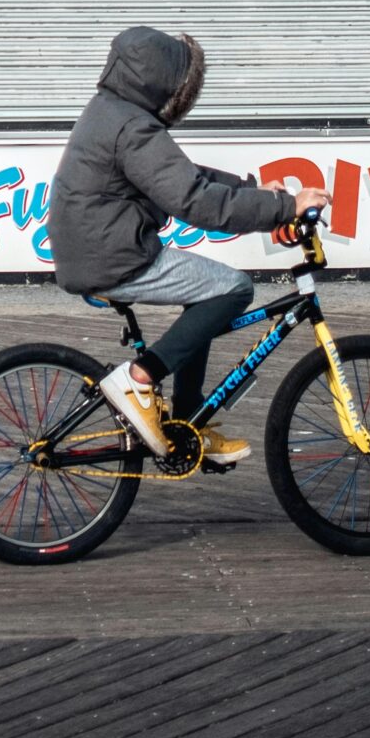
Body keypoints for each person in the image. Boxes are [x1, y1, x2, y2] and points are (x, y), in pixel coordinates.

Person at [48, 26, 320, 464]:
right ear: (161, 81)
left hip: (96, 247)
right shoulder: (133, 127)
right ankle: (140, 378)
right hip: (112, 255)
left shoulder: (113, 111)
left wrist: (256, 192)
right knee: (232, 288)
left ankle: (189, 417)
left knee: (206, 293)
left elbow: (179, 175)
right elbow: (194, 200)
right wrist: (284, 207)